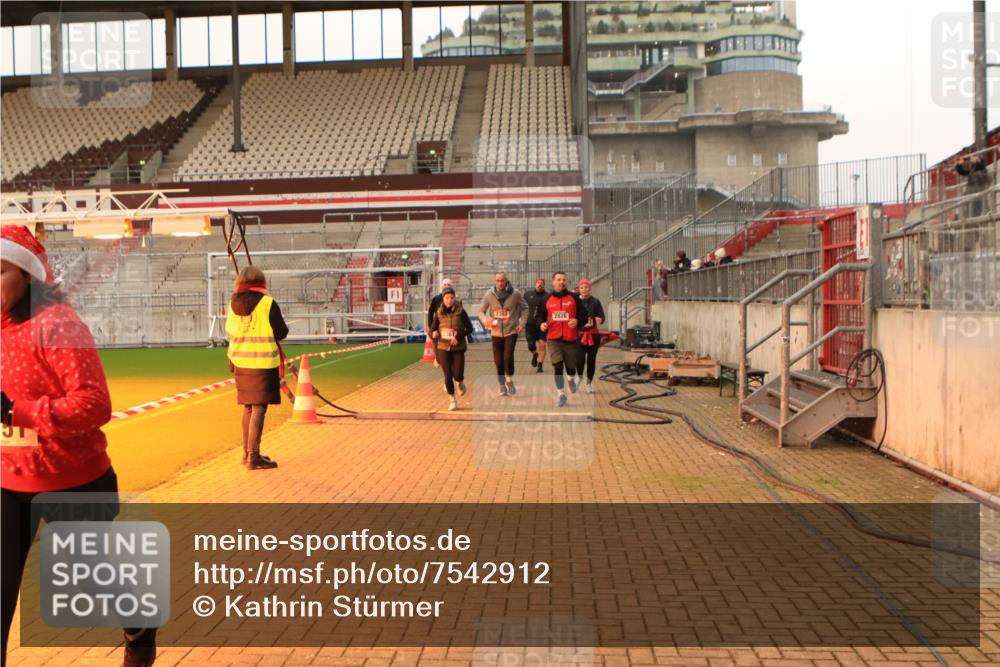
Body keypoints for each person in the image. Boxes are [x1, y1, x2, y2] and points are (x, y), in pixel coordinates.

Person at [0, 225, 157, 667]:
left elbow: (94, 404)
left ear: (28, 275)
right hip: (8, 480)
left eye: (0, 270)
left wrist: (19, 412)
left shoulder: (58, 325)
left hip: (73, 479)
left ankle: (140, 625)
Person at [226, 265, 288, 470]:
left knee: (248, 407)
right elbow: (281, 332)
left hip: (240, 362)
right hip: (262, 363)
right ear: (261, 283)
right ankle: (254, 456)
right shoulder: (267, 303)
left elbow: (230, 330)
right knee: (259, 408)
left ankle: (247, 453)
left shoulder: (232, 303)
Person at [534, 271, 586, 408]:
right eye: (558, 279)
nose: (561, 282)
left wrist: (577, 321)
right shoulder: (546, 298)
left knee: (570, 369)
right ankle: (561, 395)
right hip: (553, 339)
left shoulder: (574, 298)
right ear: (553, 282)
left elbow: (584, 315)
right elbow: (539, 317)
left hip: (571, 339)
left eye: (563, 279)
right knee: (557, 366)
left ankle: (570, 379)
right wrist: (541, 324)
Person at [479, 272, 527, 396]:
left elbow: (525, 308)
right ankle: (502, 385)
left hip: (511, 331)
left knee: (507, 356)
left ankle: (509, 379)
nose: (500, 283)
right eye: (498, 280)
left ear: (506, 281)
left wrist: (522, 323)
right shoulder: (489, 294)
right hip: (496, 333)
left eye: (502, 280)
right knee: (498, 361)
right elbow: (481, 311)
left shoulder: (515, 294)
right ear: (495, 281)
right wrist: (486, 320)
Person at [429, 286, 473, 411]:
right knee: (447, 375)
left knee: (458, 375)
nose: (449, 300)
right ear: (443, 299)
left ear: (454, 298)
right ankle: (452, 400)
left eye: (451, 298)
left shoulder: (461, 311)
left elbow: (470, 328)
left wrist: (458, 337)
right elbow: (431, 330)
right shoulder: (439, 313)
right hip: (443, 348)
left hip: (458, 347)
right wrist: (433, 334)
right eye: (447, 298)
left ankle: (459, 382)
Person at [575, 279, 606, 394]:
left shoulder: (596, 302)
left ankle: (589, 383)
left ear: (590, 289)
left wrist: (600, 320)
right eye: (582, 287)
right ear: (579, 289)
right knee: (580, 359)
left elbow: (602, 317)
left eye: (586, 287)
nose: (584, 289)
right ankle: (579, 375)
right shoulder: (576, 301)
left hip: (593, 335)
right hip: (580, 335)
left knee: (591, 360)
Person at [523, 277, 549, 373]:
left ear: (544, 285)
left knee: (542, 345)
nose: (540, 284)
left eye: (542, 283)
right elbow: (522, 307)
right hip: (530, 324)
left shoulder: (548, 296)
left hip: (542, 325)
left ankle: (540, 365)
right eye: (538, 282)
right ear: (535, 284)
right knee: (531, 345)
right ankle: (534, 354)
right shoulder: (527, 294)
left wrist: (547, 322)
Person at [427, 278, 454, 369]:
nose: (446, 286)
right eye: (444, 284)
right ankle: (438, 359)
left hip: (451, 328)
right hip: (438, 327)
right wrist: (430, 326)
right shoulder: (436, 299)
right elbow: (430, 312)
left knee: (449, 356)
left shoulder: (456, 299)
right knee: (438, 351)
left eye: (448, 285)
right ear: (441, 286)